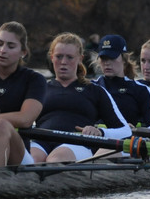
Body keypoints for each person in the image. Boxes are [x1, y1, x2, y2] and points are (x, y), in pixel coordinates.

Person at [30, 32, 131, 163]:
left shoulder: (95, 91)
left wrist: (100, 132)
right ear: (52, 57)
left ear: (80, 59)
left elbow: (125, 130)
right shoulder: (39, 89)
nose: (63, 62)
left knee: (55, 159)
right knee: (30, 160)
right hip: (41, 141)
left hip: (77, 142)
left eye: (70, 57)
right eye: (59, 56)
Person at [0, 21, 46, 167]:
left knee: (0, 125)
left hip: (18, 155)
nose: (2, 50)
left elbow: (25, 119)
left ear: (23, 52)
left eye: (10, 46)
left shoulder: (35, 79)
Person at [92, 34, 150, 128]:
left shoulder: (141, 90)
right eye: (103, 58)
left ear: (124, 59)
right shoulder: (90, 87)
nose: (107, 63)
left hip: (128, 137)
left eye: (112, 57)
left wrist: (132, 132)